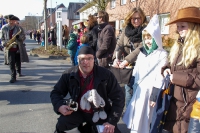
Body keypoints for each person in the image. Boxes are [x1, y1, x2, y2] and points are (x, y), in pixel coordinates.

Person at [50, 46, 125, 133]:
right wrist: (59, 106)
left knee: (110, 130)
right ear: (78, 59)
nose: (86, 62)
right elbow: (56, 92)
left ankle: (88, 128)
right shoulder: (69, 74)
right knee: (62, 124)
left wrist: (112, 121)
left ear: (94, 59)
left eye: (89, 58)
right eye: (82, 59)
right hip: (77, 111)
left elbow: (119, 98)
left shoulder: (106, 75)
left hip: (100, 112)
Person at [122, 14, 168, 133]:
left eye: (150, 38)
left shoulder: (162, 55)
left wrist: (154, 96)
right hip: (139, 91)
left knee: (147, 120)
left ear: (156, 38)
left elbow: (160, 78)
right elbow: (136, 72)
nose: (147, 41)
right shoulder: (142, 53)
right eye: (145, 38)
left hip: (150, 93)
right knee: (136, 118)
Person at [161, 6, 200, 133]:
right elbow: (171, 64)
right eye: (178, 27)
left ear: (193, 26)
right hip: (174, 104)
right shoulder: (178, 45)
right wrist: (166, 69)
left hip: (190, 105)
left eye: (182, 26)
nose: (179, 30)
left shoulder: (198, 48)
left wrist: (176, 78)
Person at [112, 7, 147, 107]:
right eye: (133, 18)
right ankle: (129, 117)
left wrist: (126, 60)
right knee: (128, 92)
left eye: (138, 18)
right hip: (128, 69)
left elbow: (141, 48)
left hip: (141, 67)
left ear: (143, 18)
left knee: (139, 94)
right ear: (129, 19)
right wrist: (116, 58)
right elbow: (119, 45)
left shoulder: (146, 31)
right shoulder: (126, 30)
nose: (136, 21)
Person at [1, 15, 29, 83]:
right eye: (10, 21)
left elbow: (23, 36)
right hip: (9, 48)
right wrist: (4, 43)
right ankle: (13, 77)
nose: (11, 22)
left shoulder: (19, 28)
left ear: (15, 21)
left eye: (13, 21)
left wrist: (19, 37)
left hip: (18, 47)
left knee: (18, 61)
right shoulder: (4, 28)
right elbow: (2, 38)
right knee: (11, 62)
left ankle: (19, 71)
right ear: (7, 20)